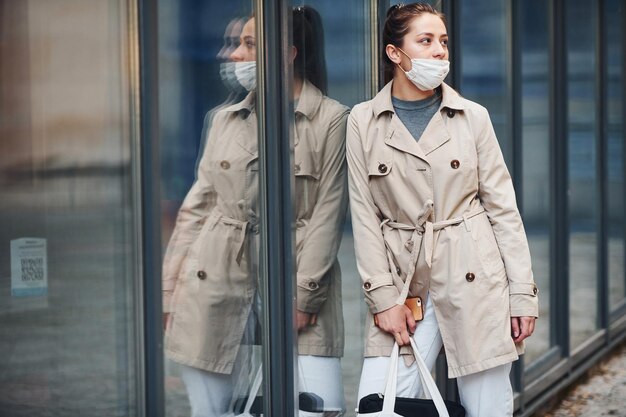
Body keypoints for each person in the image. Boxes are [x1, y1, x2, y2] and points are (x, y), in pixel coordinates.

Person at [346, 4, 538, 417]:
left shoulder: (472, 117)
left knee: (488, 405)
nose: (439, 52)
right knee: (378, 403)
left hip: (474, 274)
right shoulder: (363, 120)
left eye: (444, 42)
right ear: (395, 53)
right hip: (403, 280)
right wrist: (382, 299)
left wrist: (522, 294)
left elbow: (503, 210)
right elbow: (364, 216)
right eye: (426, 40)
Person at [162, 7, 349, 417]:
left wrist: (304, 298)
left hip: (298, 279)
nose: (233, 55)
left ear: (288, 53)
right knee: (211, 411)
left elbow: (327, 215)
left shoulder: (332, 119)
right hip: (215, 281)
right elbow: (197, 208)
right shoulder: (223, 120)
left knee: (316, 407)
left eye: (248, 44)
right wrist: (170, 294)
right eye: (235, 44)